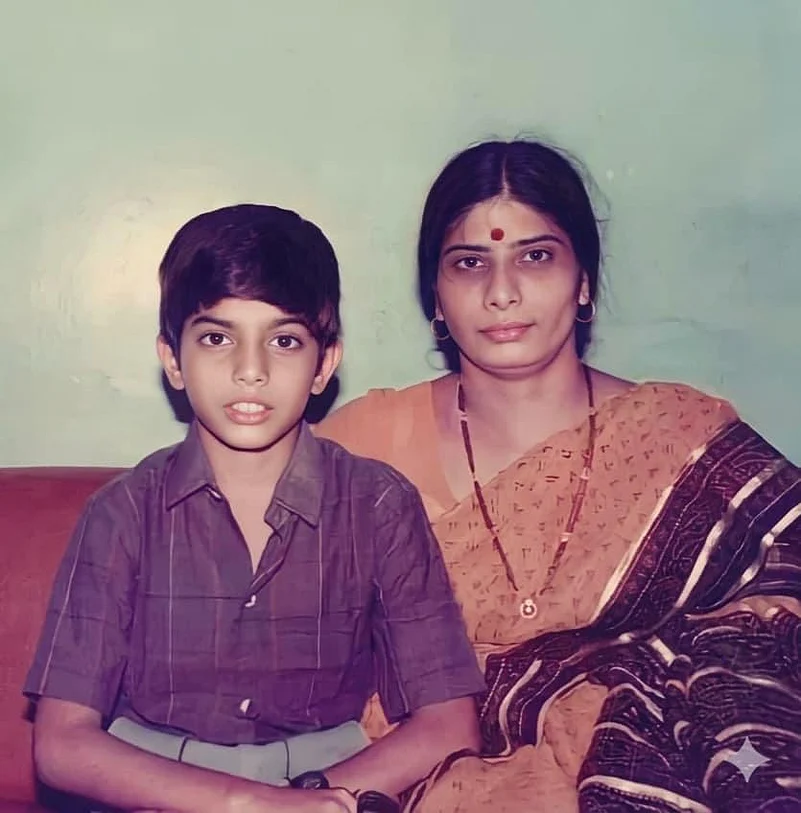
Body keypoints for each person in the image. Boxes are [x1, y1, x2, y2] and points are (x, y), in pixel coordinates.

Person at [317, 140, 801, 812]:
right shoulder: (358, 449)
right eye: (468, 263)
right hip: (418, 779)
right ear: (436, 293)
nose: (501, 291)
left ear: (582, 283)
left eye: (535, 256)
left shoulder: (678, 436)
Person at [24, 204, 483, 813]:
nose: (250, 371)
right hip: (151, 790)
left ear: (324, 365)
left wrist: (317, 796)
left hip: (329, 789)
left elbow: (449, 725)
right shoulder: (121, 514)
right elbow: (61, 744)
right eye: (217, 338)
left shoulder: (380, 506)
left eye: (284, 341)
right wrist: (250, 805)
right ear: (171, 359)